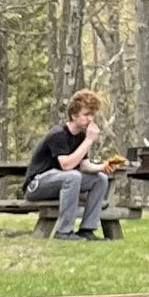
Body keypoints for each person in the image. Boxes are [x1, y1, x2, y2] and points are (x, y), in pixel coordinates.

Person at [26, 86, 114, 237]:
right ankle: (64, 231)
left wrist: (103, 166)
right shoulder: (58, 134)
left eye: (92, 115)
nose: (90, 119)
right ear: (73, 116)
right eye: (86, 115)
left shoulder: (80, 136)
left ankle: (87, 229)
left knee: (100, 179)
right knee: (73, 176)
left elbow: (84, 164)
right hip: (37, 184)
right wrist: (89, 140)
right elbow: (66, 165)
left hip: (62, 181)